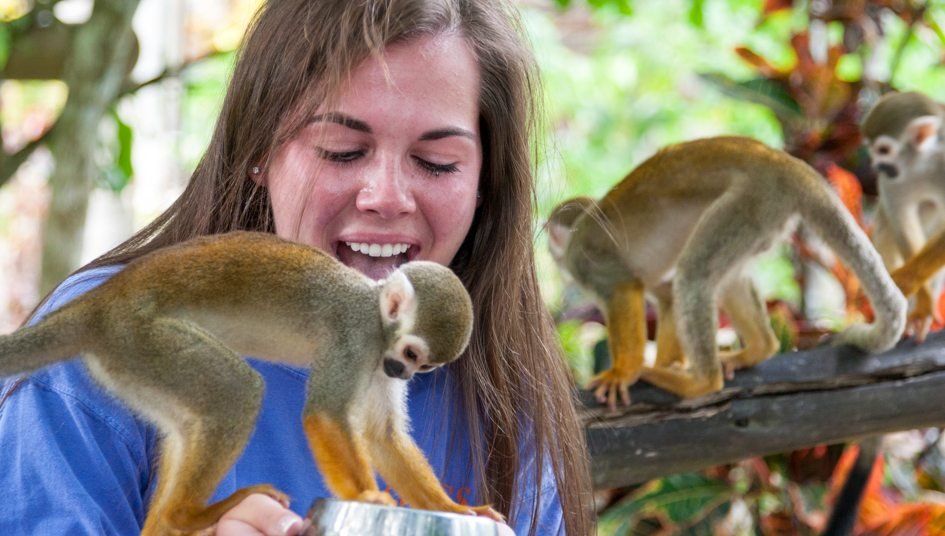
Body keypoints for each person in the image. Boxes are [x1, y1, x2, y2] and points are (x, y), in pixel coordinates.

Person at [0, 1, 594, 535]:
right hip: (136, 326)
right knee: (235, 394)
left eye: (437, 162)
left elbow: (388, 437)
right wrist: (361, 500)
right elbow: (327, 418)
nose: (386, 197)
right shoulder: (76, 380)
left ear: (487, 183)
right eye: (341, 151)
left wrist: (448, 511)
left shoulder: (497, 388)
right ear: (258, 149)